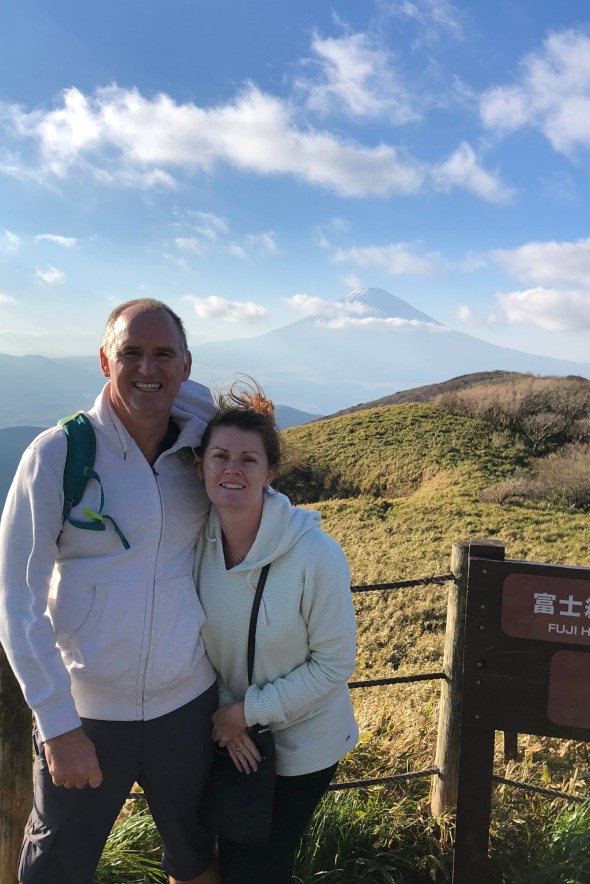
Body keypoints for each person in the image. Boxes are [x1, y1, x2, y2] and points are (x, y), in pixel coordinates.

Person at [0, 299, 220, 884]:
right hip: (87, 712)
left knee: (197, 858)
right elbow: (16, 599)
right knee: (56, 869)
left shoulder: (202, 447)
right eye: (131, 353)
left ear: (187, 365)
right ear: (105, 360)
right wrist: (57, 724)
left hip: (188, 702)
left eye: (164, 354)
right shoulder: (57, 455)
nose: (148, 368)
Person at [193, 378, 359, 884]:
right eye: (220, 456)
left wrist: (244, 714)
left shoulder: (314, 554)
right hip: (232, 738)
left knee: (254, 869)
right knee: (231, 861)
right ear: (200, 467)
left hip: (302, 746)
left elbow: (334, 664)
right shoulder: (195, 545)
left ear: (270, 473)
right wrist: (230, 718)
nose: (232, 469)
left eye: (249, 459)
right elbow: (196, 643)